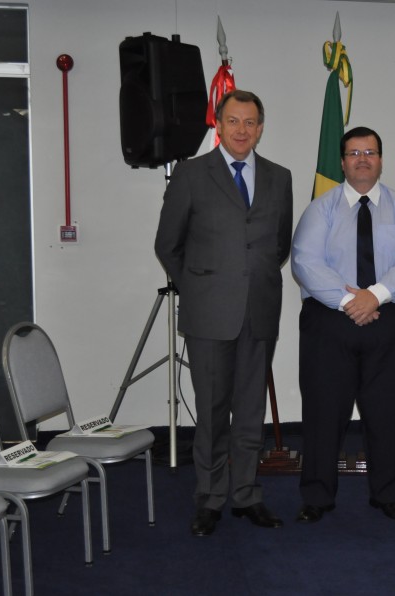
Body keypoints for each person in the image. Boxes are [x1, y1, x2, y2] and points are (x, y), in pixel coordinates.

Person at [155, 90, 293, 536]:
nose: (241, 130)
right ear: (218, 124)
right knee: (212, 413)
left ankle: (247, 494)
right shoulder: (191, 174)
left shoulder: (279, 177)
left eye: (250, 122)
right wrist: (199, 288)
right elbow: (168, 244)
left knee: (250, 413)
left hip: (259, 311)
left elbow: (280, 245)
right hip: (209, 314)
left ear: (261, 128)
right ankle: (211, 498)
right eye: (233, 121)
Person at [290, 126, 395, 523]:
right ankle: (317, 496)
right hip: (330, 321)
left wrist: (377, 294)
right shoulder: (321, 208)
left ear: (381, 160)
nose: (362, 159)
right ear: (342, 162)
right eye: (354, 153)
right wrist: (352, 301)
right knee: (323, 410)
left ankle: (387, 494)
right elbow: (304, 261)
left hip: (391, 317)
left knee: (387, 409)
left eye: (370, 152)